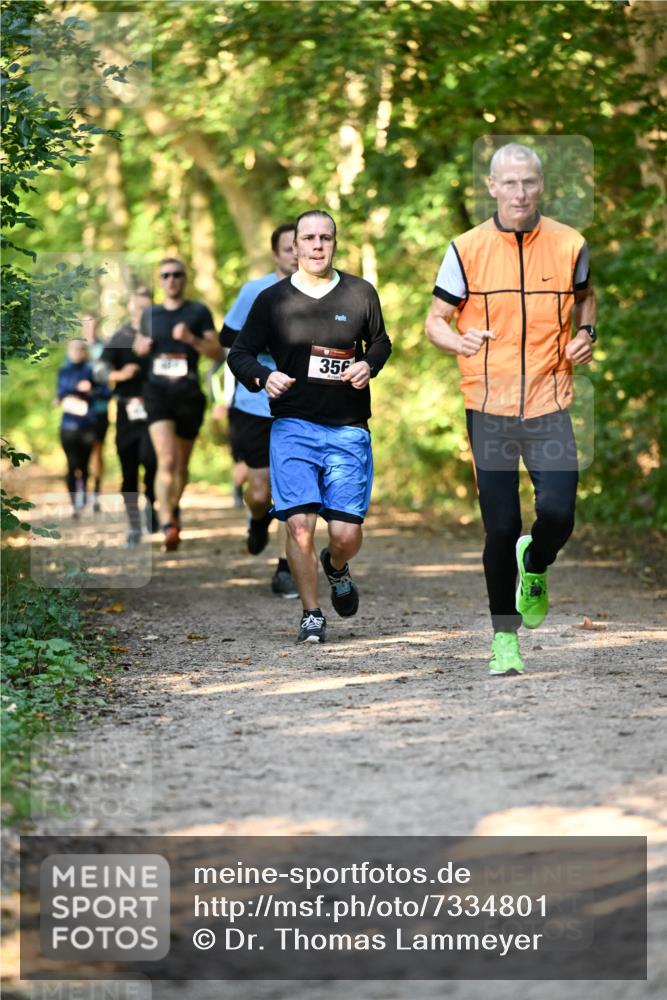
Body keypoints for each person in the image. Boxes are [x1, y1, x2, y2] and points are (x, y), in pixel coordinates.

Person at [425, 142, 596, 676]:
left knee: (560, 515)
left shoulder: (570, 244)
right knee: (500, 527)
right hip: (489, 406)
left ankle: (537, 561)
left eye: (529, 182)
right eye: (510, 183)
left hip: (549, 401)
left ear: (540, 185)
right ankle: (505, 639)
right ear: (492, 187)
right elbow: (434, 320)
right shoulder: (466, 249)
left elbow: (586, 296)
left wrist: (587, 332)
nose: (520, 192)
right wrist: (459, 342)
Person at [228, 210, 392, 643]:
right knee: (298, 524)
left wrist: (367, 365)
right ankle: (311, 613)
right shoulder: (273, 300)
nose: (318, 246)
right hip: (293, 426)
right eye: (309, 238)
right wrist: (263, 377)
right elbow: (238, 353)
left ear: (335, 243)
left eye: (326, 238)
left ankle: (336, 566)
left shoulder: (360, 293)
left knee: (345, 534)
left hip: (347, 429)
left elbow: (380, 342)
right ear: (295, 246)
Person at [219, 223, 299, 598]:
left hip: (299, 404)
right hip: (253, 403)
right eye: (289, 248)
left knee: (293, 491)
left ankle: (285, 567)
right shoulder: (254, 290)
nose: (297, 254)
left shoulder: (318, 293)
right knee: (260, 490)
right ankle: (256, 519)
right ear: (276, 254)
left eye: (301, 246)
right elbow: (226, 339)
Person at [133, 259, 223, 551]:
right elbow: (136, 345)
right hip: (157, 393)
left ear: (185, 279)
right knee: (167, 459)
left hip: (188, 396)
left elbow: (217, 352)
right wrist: (141, 348)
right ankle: (167, 522)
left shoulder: (197, 312)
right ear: (159, 281)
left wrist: (191, 339)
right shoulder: (150, 314)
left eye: (177, 275)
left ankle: (172, 508)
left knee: (181, 465)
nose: (171, 280)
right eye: (165, 275)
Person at [95, 288, 157, 546]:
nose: (143, 313)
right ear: (131, 309)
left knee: (152, 461)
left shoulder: (160, 335)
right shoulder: (120, 335)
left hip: (156, 410)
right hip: (126, 411)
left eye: (148, 308)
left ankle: (153, 506)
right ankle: (134, 525)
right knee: (129, 467)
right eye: (139, 308)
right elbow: (99, 369)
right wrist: (120, 375)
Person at [56, 339, 99, 516]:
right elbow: (60, 391)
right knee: (72, 464)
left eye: (81, 349)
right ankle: (74, 502)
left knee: (85, 465)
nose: (77, 352)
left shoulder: (91, 370)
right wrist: (76, 389)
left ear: (85, 352)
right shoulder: (64, 371)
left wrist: (90, 390)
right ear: (68, 351)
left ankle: (84, 495)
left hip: (87, 425)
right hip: (68, 425)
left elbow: (104, 391)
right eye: (74, 348)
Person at [80, 312, 112, 512]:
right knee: (81, 453)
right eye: (85, 323)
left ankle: (96, 493)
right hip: (78, 411)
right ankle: (81, 491)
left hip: (99, 407)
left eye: (92, 322)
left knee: (97, 451)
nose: (88, 326)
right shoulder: (75, 349)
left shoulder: (104, 348)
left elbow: (109, 376)